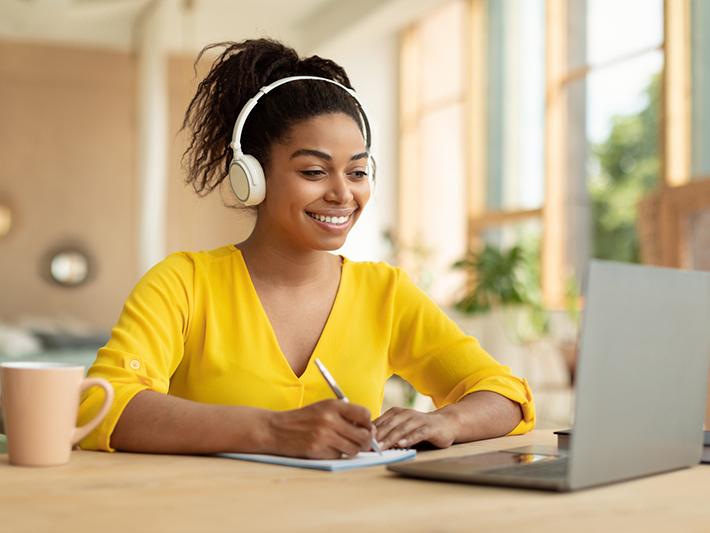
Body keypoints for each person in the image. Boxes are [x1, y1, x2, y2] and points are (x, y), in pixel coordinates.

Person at [78, 39, 535, 459]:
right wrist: (271, 431)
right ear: (252, 177)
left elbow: (505, 393)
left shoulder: (385, 292)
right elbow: (105, 403)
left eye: (357, 172)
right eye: (314, 172)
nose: (342, 193)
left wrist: (444, 421)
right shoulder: (184, 283)